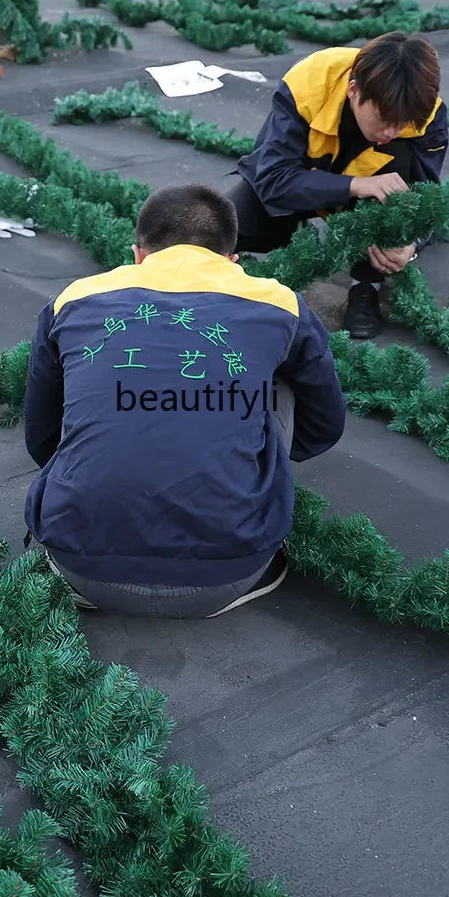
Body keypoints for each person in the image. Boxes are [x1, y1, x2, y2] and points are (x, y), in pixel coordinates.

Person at [23, 184, 346, 619]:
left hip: (79, 566)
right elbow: (325, 423)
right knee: (281, 378)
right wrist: (261, 457)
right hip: (232, 571)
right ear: (232, 261)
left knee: (86, 386)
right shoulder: (278, 303)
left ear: (138, 254)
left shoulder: (75, 300)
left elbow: (41, 435)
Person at [227, 32, 449, 339]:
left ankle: (366, 284)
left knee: (398, 172)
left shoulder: (427, 114)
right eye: (384, 119)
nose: (391, 131)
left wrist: (411, 245)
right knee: (224, 225)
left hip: (362, 199)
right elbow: (273, 180)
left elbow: (427, 199)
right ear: (354, 90)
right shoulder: (309, 83)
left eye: (403, 123)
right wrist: (357, 185)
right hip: (295, 183)